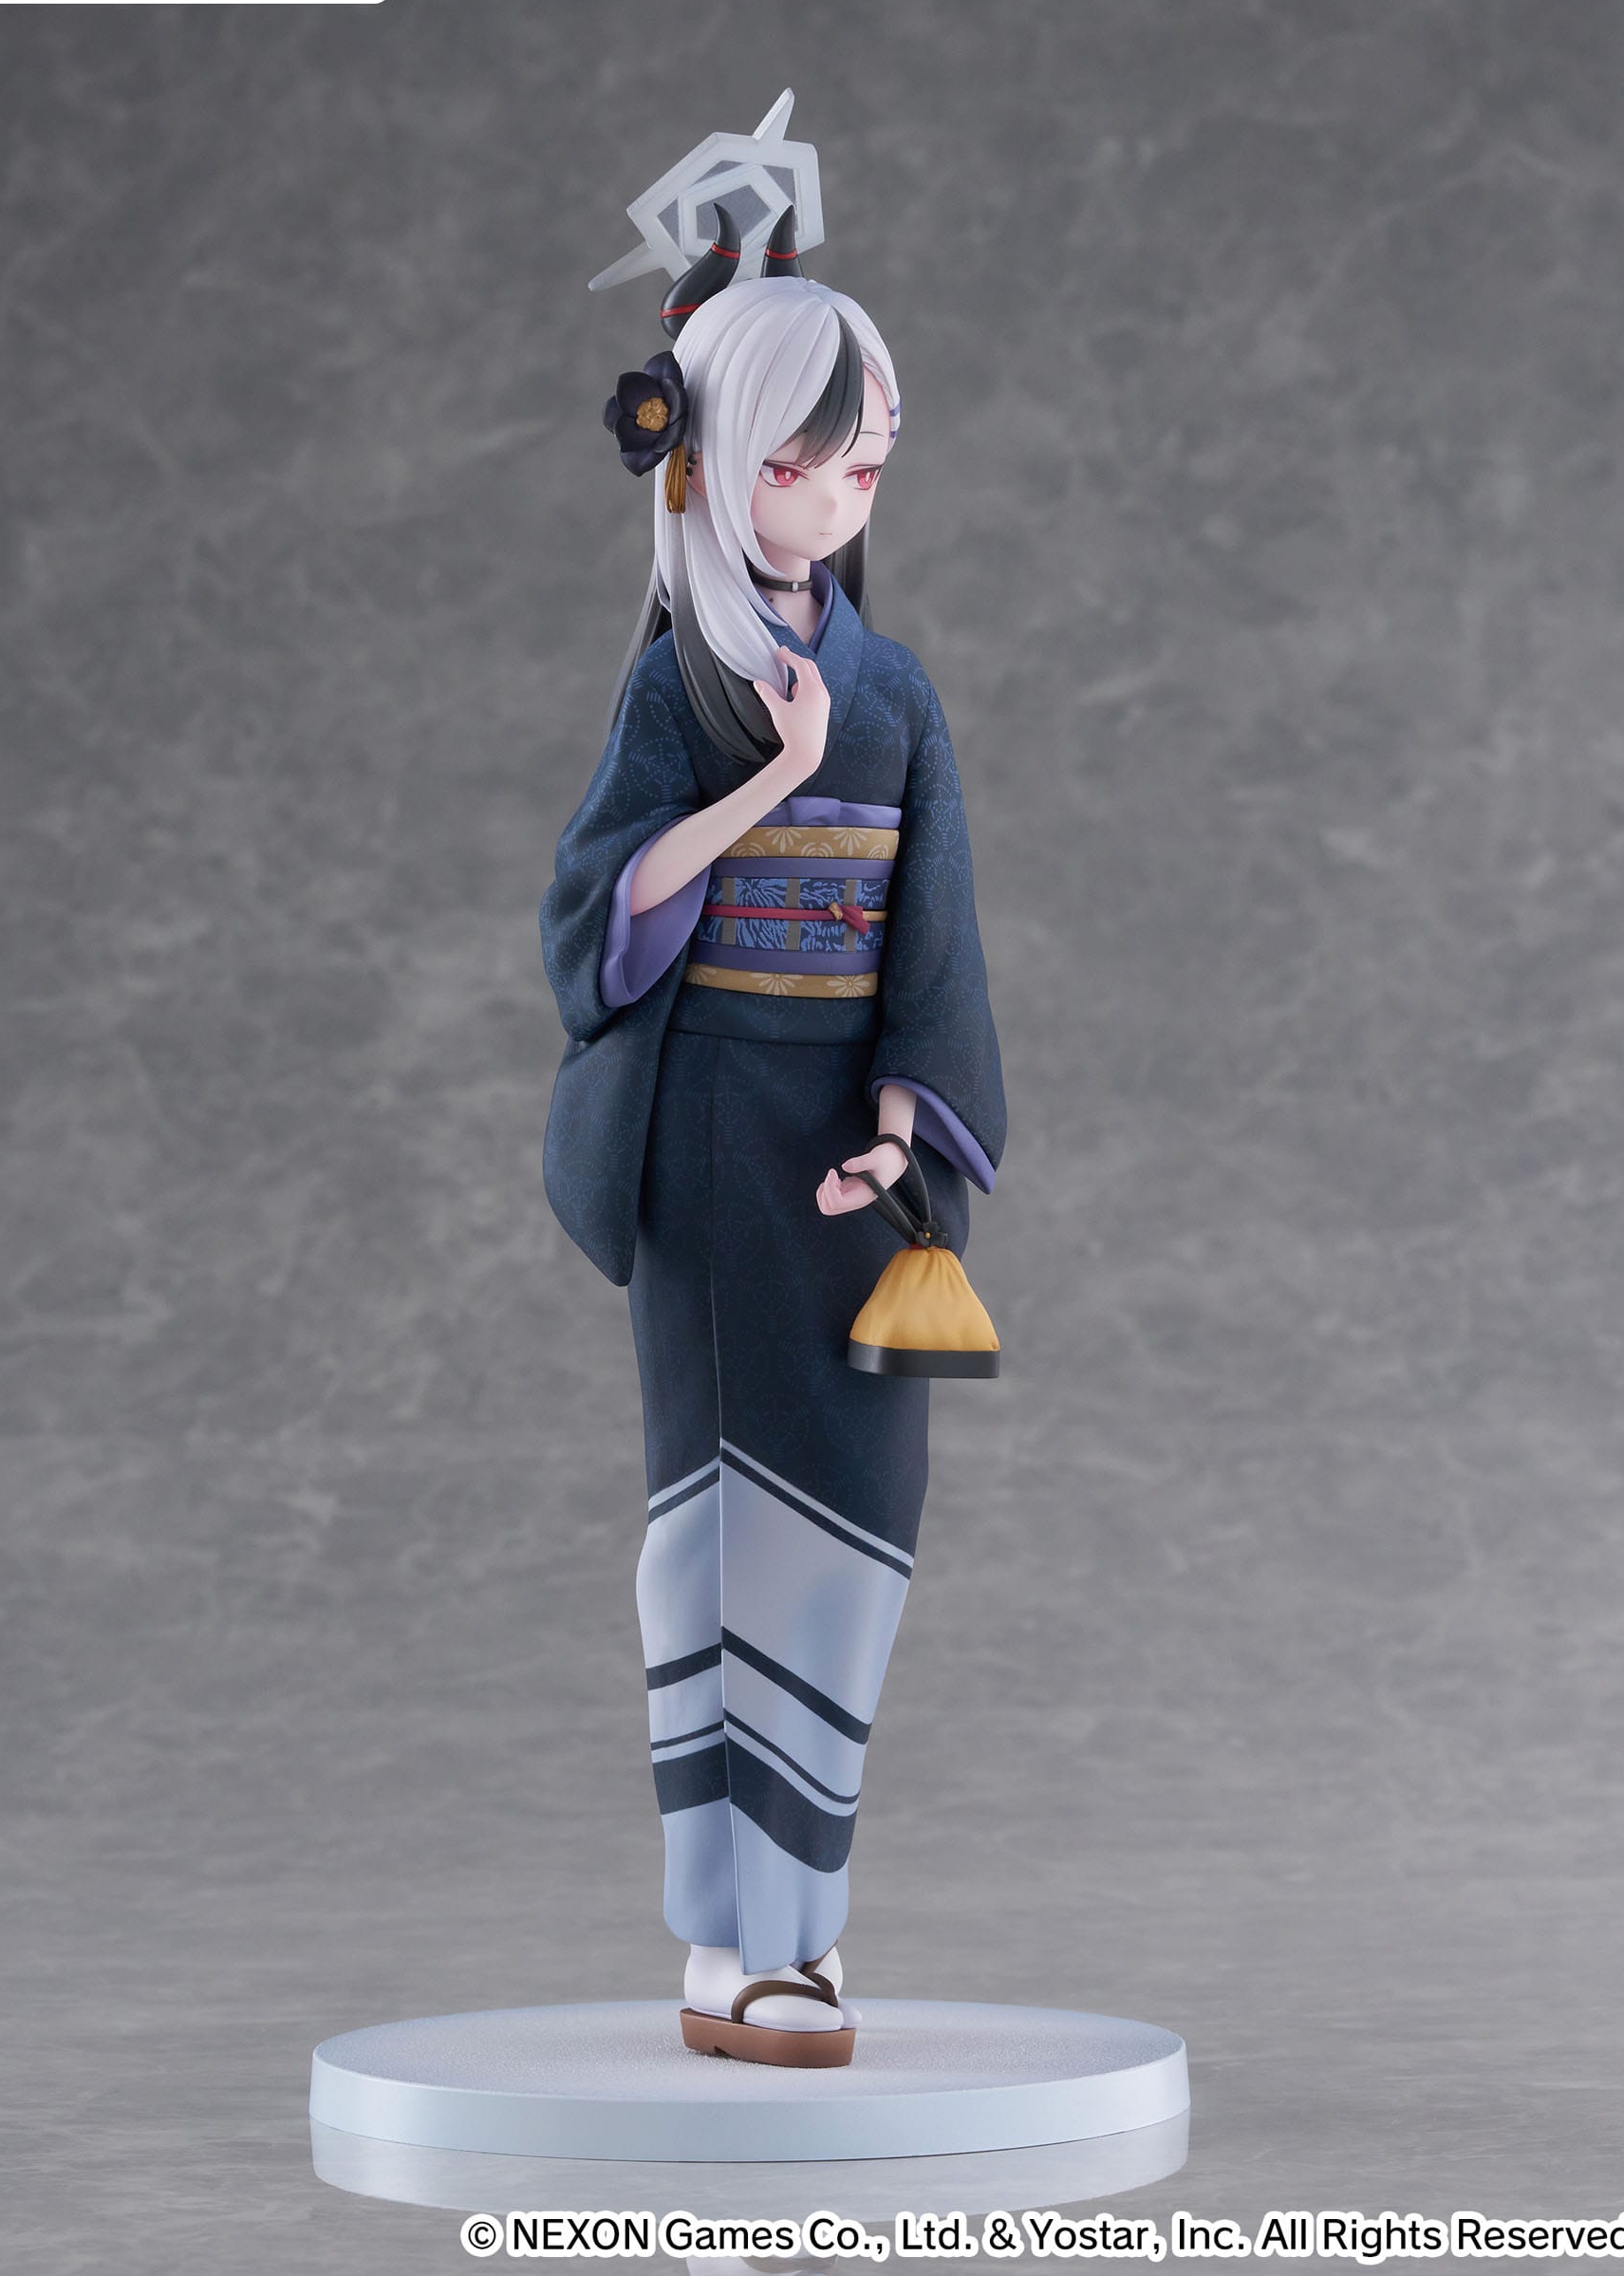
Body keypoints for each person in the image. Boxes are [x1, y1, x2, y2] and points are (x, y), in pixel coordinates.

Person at [539, 205, 1005, 2068]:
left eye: (866, 458)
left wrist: (902, 1125)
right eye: (818, 455)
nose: (846, 487)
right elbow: (601, 920)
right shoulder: (679, 683)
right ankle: (718, 1937)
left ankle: (806, 1924)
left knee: (855, 1534)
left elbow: (932, 941)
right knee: (711, 1534)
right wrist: (777, 781)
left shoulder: (896, 692)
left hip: (840, 1157)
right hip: (709, 1136)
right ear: (728, 456)